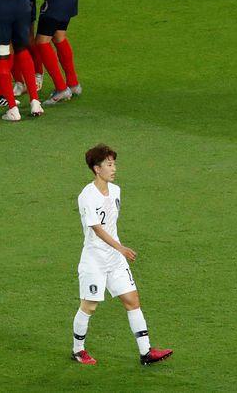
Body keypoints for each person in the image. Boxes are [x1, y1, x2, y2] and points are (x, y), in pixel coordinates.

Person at [71, 145, 173, 366]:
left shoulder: (116, 191)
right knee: (89, 306)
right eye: (109, 164)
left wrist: (118, 252)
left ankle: (146, 352)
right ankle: (78, 350)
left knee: (132, 301)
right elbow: (97, 229)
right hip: (95, 260)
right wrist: (121, 248)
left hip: (115, 259)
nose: (114, 168)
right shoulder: (87, 196)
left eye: (114, 164)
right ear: (97, 169)